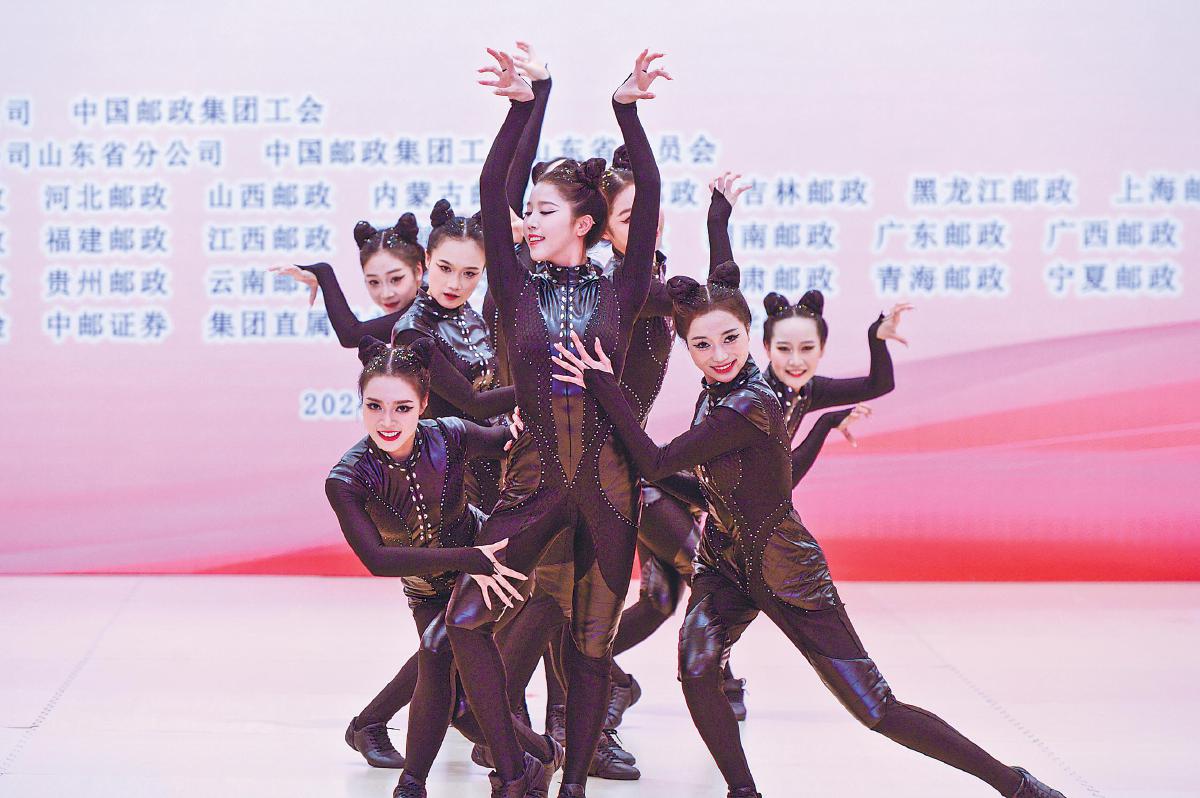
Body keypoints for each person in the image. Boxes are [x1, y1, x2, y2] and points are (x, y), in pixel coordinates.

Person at [550, 263, 1066, 798]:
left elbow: (658, 461)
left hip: (787, 571)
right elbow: (707, 490)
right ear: (686, 347)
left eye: (730, 338)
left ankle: (1016, 785)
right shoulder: (714, 394)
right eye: (702, 344)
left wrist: (606, 388)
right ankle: (743, 792)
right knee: (697, 669)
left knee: (876, 709)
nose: (719, 354)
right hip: (724, 564)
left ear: (749, 333)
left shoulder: (751, 402)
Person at [443, 47, 667, 798]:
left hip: (608, 495)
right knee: (466, 621)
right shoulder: (513, 284)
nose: (527, 220)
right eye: (528, 210)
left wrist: (626, 111)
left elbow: (651, 190)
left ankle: (572, 785)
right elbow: (490, 190)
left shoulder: (624, 288)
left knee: (591, 651)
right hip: (532, 490)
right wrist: (521, 107)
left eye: (543, 211)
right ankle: (518, 767)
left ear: (584, 222)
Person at [325, 337, 562, 798]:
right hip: (434, 586)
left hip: (491, 570)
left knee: (436, 651)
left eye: (402, 407)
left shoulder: (449, 434)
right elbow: (377, 559)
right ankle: (541, 755)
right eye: (374, 406)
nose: (387, 421)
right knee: (457, 705)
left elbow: (506, 443)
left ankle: (411, 785)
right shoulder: (347, 478)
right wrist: (465, 557)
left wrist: (525, 423)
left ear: (423, 403)